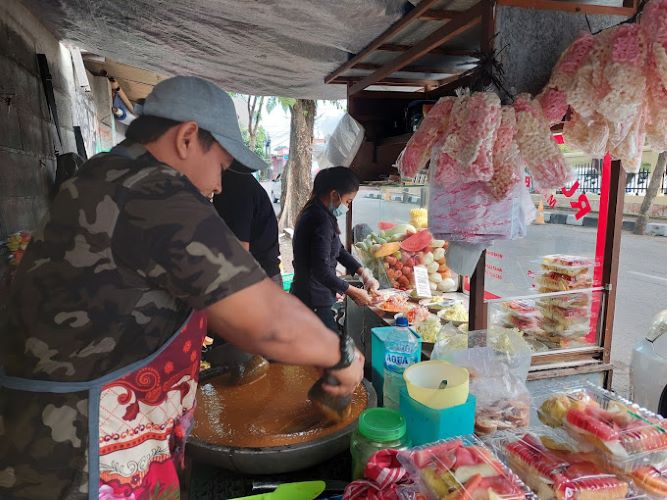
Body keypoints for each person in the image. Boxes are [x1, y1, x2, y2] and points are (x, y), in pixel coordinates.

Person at [0, 76, 363, 500]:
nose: (219, 185)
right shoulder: (150, 190)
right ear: (188, 138)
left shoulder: (109, 174)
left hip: (68, 433)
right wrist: (341, 356)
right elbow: (266, 320)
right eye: (222, 166)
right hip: (77, 452)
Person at [291, 167, 379, 332]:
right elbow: (321, 271)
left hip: (311, 295)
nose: (347, 206)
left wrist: (364, 274)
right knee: (331, 353)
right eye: (347, 201)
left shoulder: (319, 213)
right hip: (313, 299)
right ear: (333, 195)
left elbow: (339, 250)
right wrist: (353, 292)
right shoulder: (319, 220)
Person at [212, 161, 282, 287]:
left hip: (257, 281)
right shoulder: (239, 181)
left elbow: (239, 251)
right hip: (263, 275)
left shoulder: (233, 186)